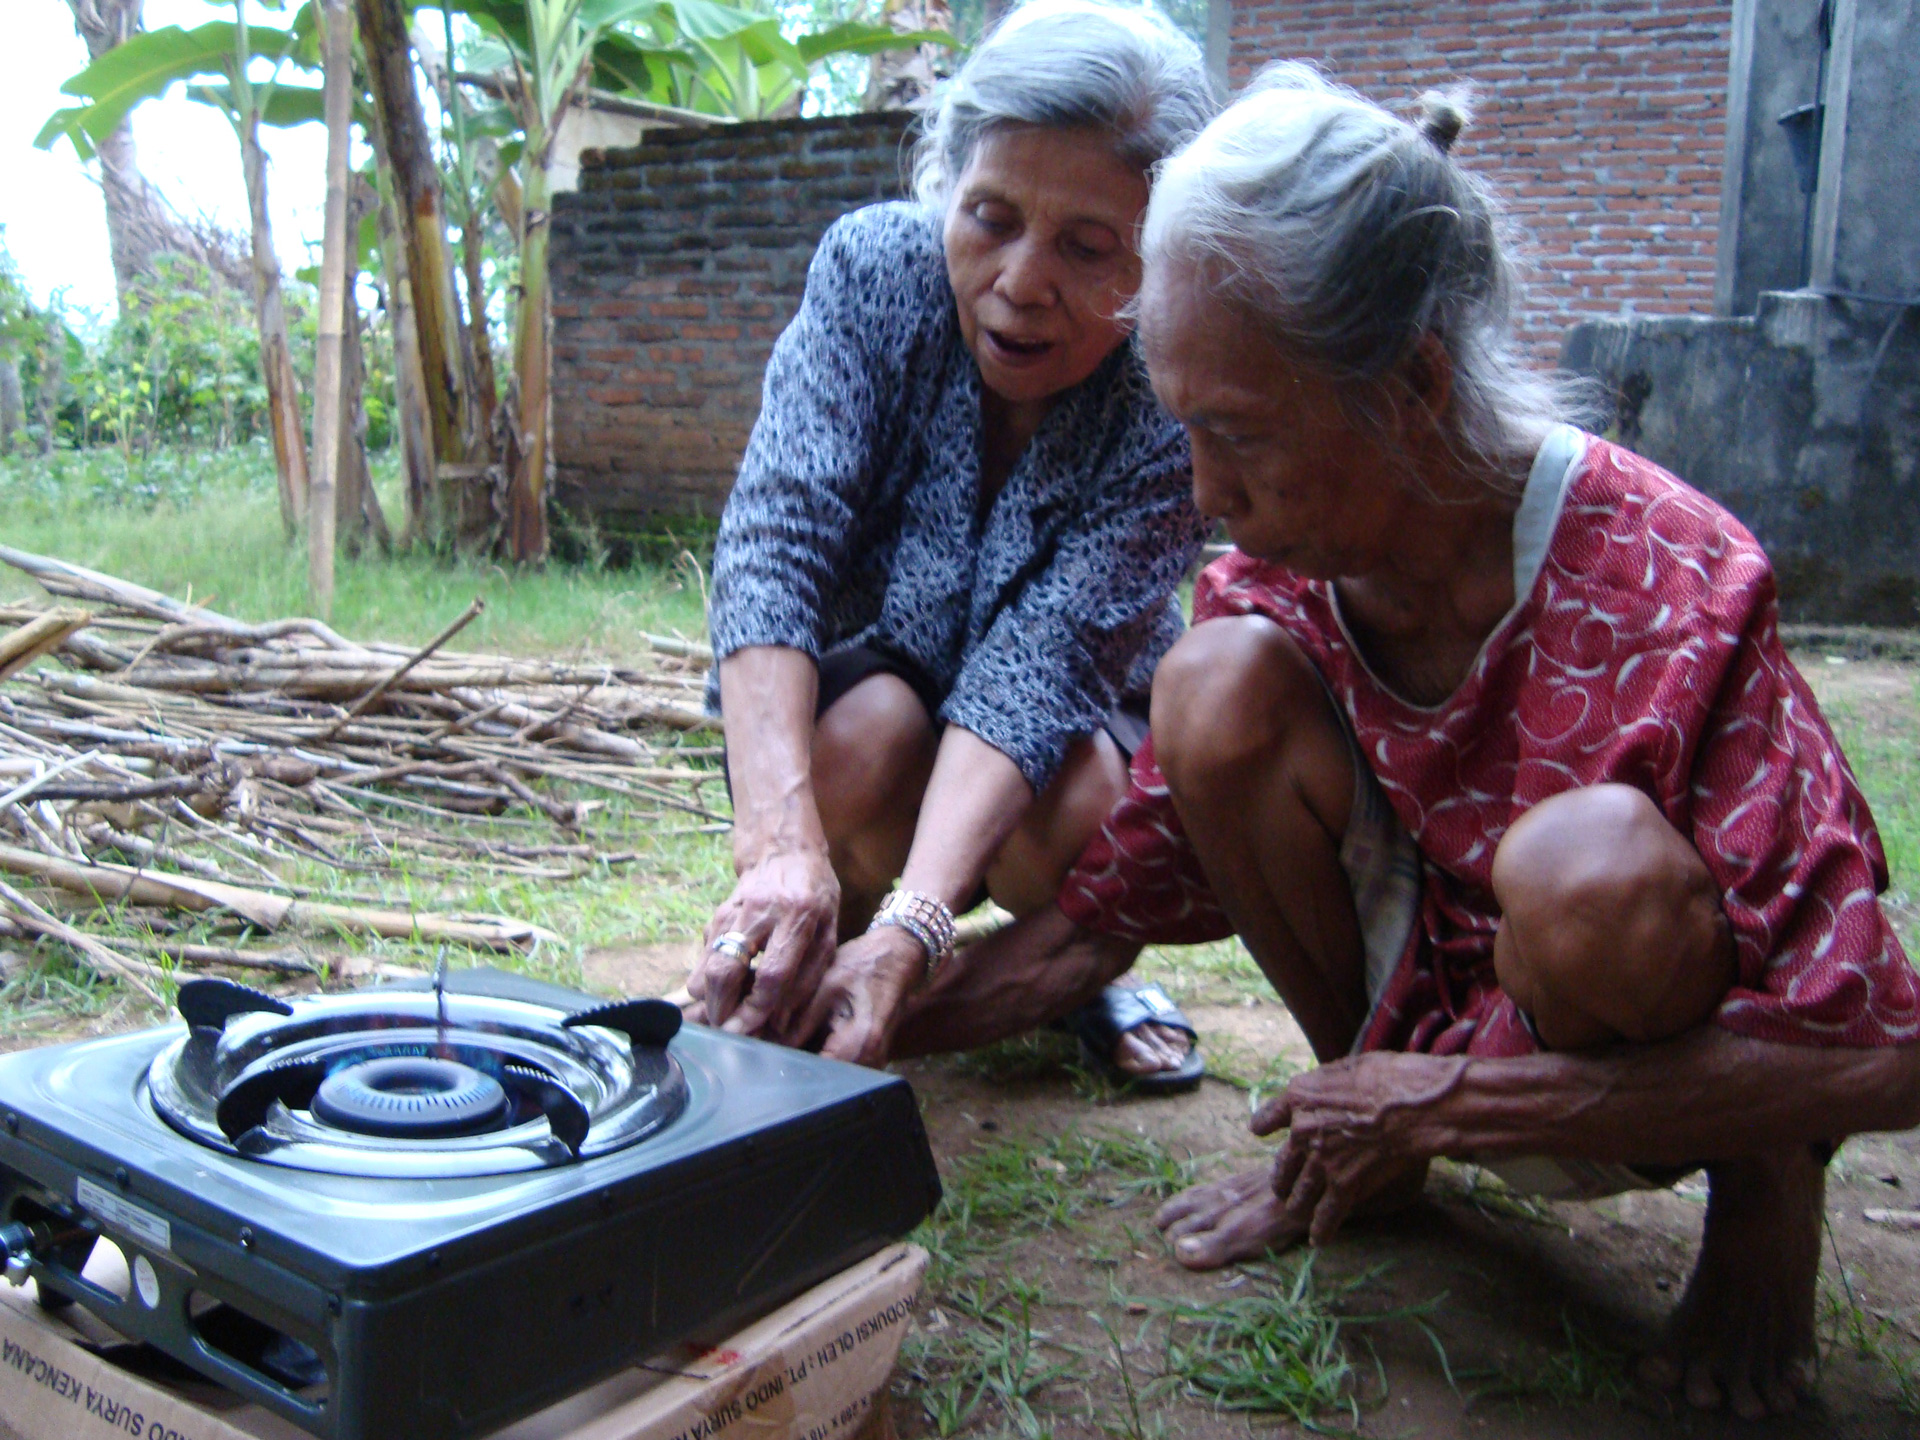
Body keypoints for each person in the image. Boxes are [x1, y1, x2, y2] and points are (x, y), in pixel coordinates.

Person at [1044, 66, 1920, 1418]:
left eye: (1238, 437)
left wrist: (1450, 1108)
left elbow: (1879, 1048)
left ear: (1411, 387)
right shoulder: (1283, 576)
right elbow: (1114, 901)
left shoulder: (1670, 580)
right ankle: (1366, 1137)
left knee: (1594, 870)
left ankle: (1766, 1207)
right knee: (1208, 686)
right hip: (1442, 996)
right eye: (1188, 436)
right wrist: (875, 988)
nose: (1210, 497)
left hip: (1632, 1021)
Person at [690, 1, 1215, 1082]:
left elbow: (1044, 660)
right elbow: (776, 541)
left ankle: (1050, 969)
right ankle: (819, 921)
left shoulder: (1178, 385)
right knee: (862, 736)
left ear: (1160, 257)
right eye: (990, 217)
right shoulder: (876, 272)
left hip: (1069, 715)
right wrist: (779, 850)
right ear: (946, 183)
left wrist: (920, 927)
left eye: (1087, 246)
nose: (1022, 282)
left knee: (1079, 814)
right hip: (886, 666)